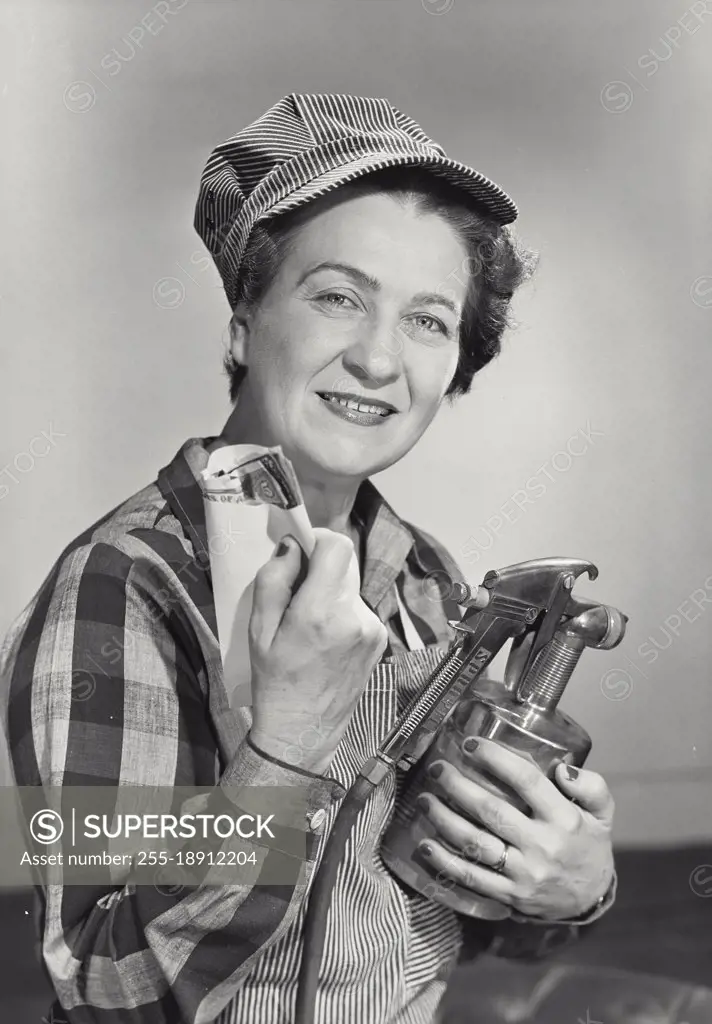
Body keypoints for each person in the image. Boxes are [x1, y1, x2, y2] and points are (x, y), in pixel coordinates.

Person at [0, 93, 616, 1024]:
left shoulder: (425, 581)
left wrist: (567, 889)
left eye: (427, 320)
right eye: (338, 297)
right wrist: (284, 750)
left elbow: (443, 911)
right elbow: (103, 988)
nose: (378, 358)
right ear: (244, 323)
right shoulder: (125, 588)